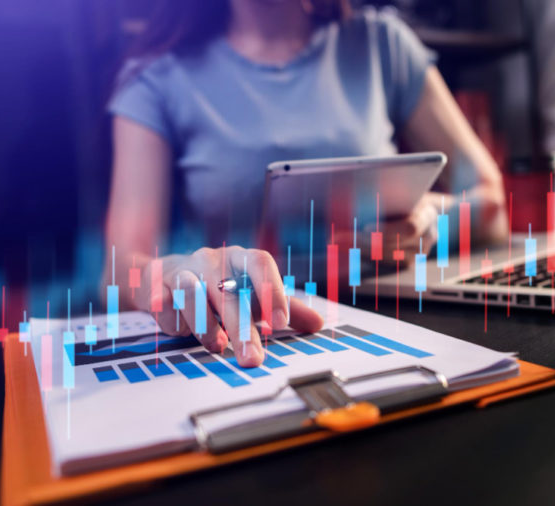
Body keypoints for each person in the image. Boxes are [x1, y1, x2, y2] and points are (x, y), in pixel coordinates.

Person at [104, 0, 508, 367]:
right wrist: (172, 273)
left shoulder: (381, 43)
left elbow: (493, 205)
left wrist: (431, 220)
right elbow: (119, 268)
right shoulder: (156, 77)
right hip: (246, 337)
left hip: (397, 321)